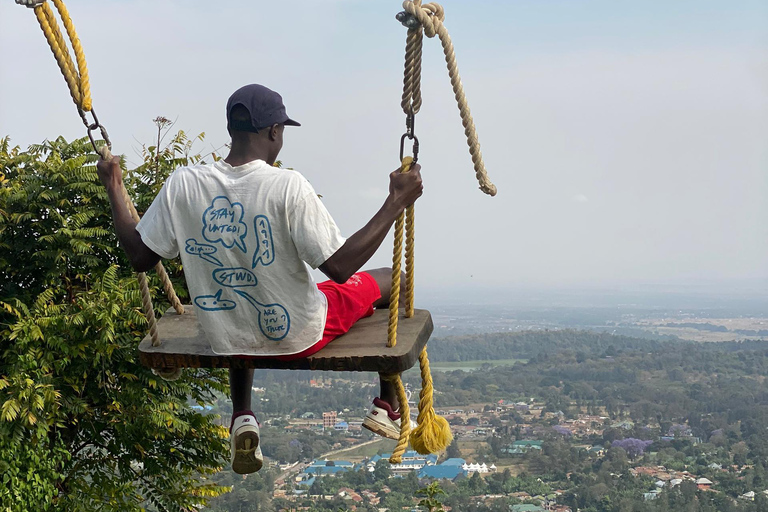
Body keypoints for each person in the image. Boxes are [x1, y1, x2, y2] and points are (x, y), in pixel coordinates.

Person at [97, 84, 423, 474]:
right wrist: (395, 202)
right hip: (299, 335)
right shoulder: (287, 186)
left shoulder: (183, 184)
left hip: (226, 336)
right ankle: (386, 405)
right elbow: (339, 267)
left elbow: (139, 255)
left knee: (241, 303)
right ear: (273, 132)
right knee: (393, 280)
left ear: (232, 129)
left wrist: (114, 186)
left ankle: (242, 416)